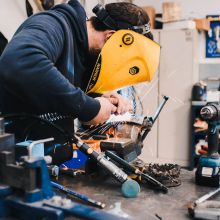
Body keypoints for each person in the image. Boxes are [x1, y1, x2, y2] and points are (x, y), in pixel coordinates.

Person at [0, 0, 153, 124]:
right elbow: (20, 61)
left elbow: (61, 85)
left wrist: (98, 95)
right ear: (110, 37)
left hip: (52, 152)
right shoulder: (53, 25)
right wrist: (89, 108)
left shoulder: (84, 51)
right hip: (17, 152)